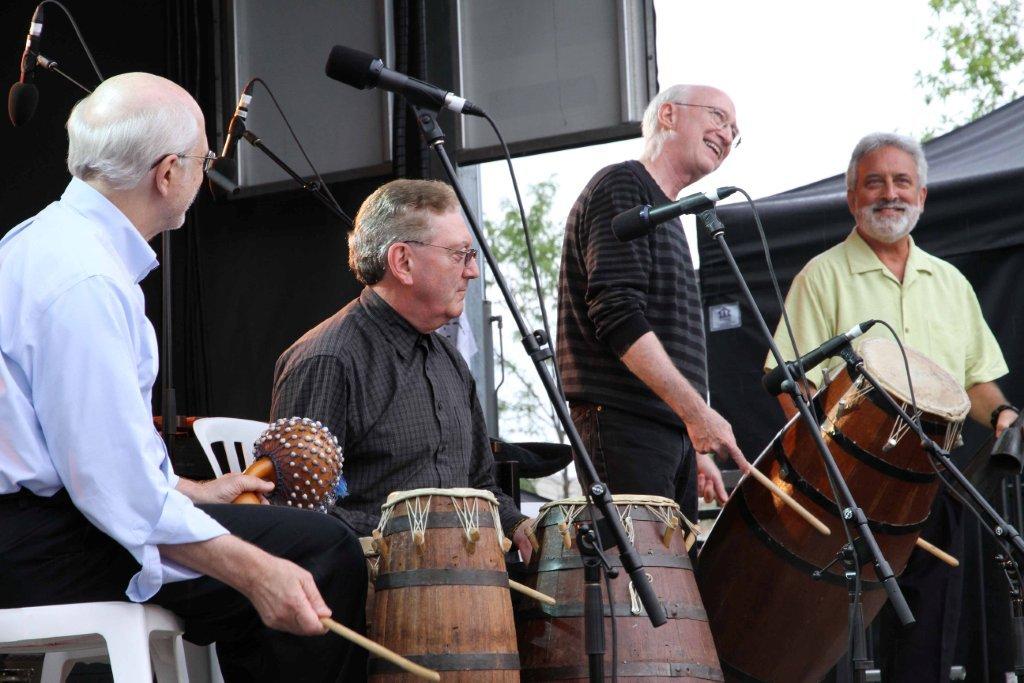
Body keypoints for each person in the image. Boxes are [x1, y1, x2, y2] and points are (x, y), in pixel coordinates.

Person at [0, 73, 367, 682]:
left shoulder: (47, 244)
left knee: (287, 548)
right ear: (167, 173)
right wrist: (256, 570)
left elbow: (91, 461)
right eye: (204, 159)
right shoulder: (84, 280)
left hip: (43, 524)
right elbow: (110, 488)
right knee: (321, 551)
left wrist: (194, 493)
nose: (205, 174)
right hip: (34, 544)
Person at [766, 132, 1019, 681]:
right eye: (874, 182)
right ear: (851, 197)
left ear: (922, 196)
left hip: (937, 477)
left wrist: (1001, 415)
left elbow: (978, 380)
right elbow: (790, 381)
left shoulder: (949, 282)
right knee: (838, 631)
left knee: (926, 634)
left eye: (902, 181)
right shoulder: (822, 275)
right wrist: (825, 465)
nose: (890, 193)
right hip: (850, 483)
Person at [269, 179, 533, 560]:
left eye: (471, 255)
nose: (472, 270)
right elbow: (300, 513)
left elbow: (479, 481)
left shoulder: (450, 361)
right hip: (368, 597)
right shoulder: (327, 359)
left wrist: (517, 524)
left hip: (462, 585)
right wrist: (409, 538)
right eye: (459, 255)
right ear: (403, 262)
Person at [556, 84, 750, 522]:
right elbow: (617, 313)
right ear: (668, 115)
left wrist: (690, 434)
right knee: (643, 582)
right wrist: (695, 413)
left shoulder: (669, 213)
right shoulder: (624, 185)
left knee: (670, 581)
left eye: (735, 131)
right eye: (719, 117)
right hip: (624, 424)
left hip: (661, 430)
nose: (727, 134)